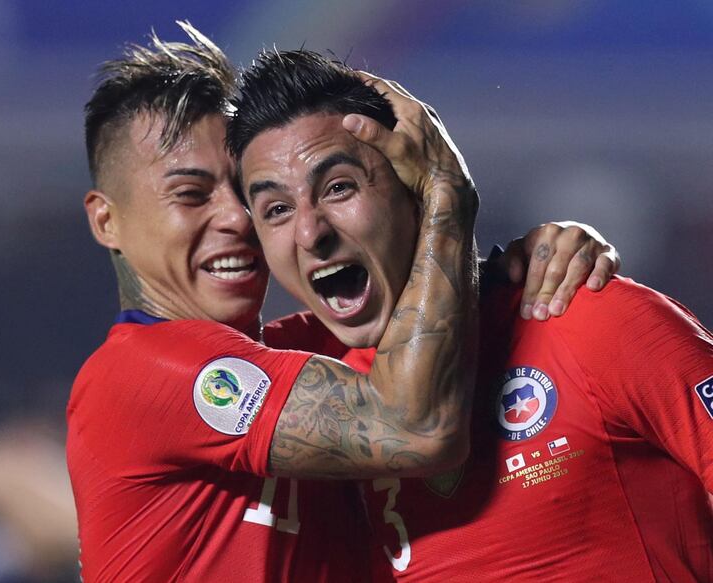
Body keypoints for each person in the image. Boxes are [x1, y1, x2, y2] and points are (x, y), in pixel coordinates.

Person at [68, 23, 620, 582]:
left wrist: (541, 256)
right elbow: (415, 426)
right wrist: (447, 196)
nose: (238, 218)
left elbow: (435, 303)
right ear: (105, 219)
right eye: (190, 194)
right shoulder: (138, 376)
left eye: (245, 192)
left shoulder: (308, 351)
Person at [228, 48, 713, 582]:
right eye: (276, 209)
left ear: (417, 187)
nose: (309, 232)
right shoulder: (318, 403)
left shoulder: (585, 317)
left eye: (339, 188)